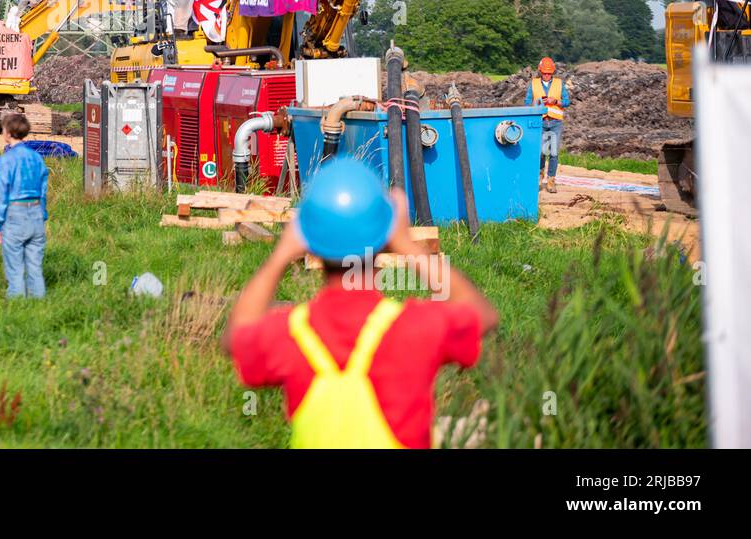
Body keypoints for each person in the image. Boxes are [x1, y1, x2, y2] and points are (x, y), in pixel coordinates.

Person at [223, 158, 498, 449]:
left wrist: (282, 254)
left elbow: (236, 336)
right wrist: (404, 241)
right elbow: (482, 314)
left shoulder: (291, 333)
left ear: (309, 239)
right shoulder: (412, 328)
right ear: (383, 239)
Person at [0, 111, 49, 299]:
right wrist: (42, 216)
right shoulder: (37, 158)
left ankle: (17, 306)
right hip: (36, 213)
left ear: (7, 132)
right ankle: (39, 305)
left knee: (15, 269)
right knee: (35, 267)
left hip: (15, 213)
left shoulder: (6, 160)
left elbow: (1, 194)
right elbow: (43, 190)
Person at [525, 56, 570, 193]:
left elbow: (567, 101)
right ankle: (539, 178)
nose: (546, 75)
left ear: (553, 72)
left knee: (554, 153)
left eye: (549, 73)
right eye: (544, 73)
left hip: (555, 122)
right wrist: (537, 103)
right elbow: (527, 103)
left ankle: (551, 181)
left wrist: (555, 101)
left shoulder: (559, 83)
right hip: (541, 122)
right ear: (540, 71)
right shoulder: (533, 84)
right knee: (540, 152)